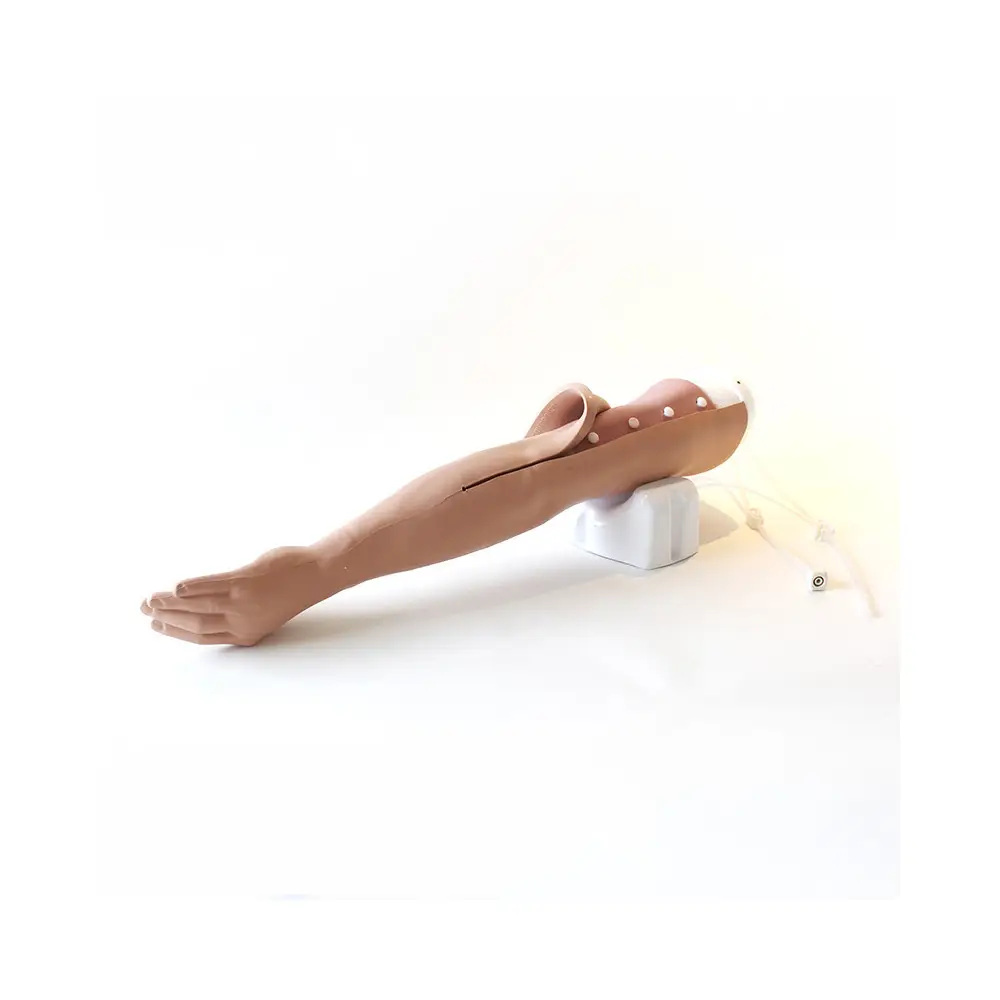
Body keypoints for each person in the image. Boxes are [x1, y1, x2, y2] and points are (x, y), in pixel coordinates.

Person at [140, 379, 748, 646]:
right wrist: (314, 569)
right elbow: (534, 481)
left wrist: (317, 569)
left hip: (703, 422)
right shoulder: (677, 424)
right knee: (579, 461)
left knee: (579, 462)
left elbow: (537, 483)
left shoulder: (663, 434)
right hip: (704, 419)